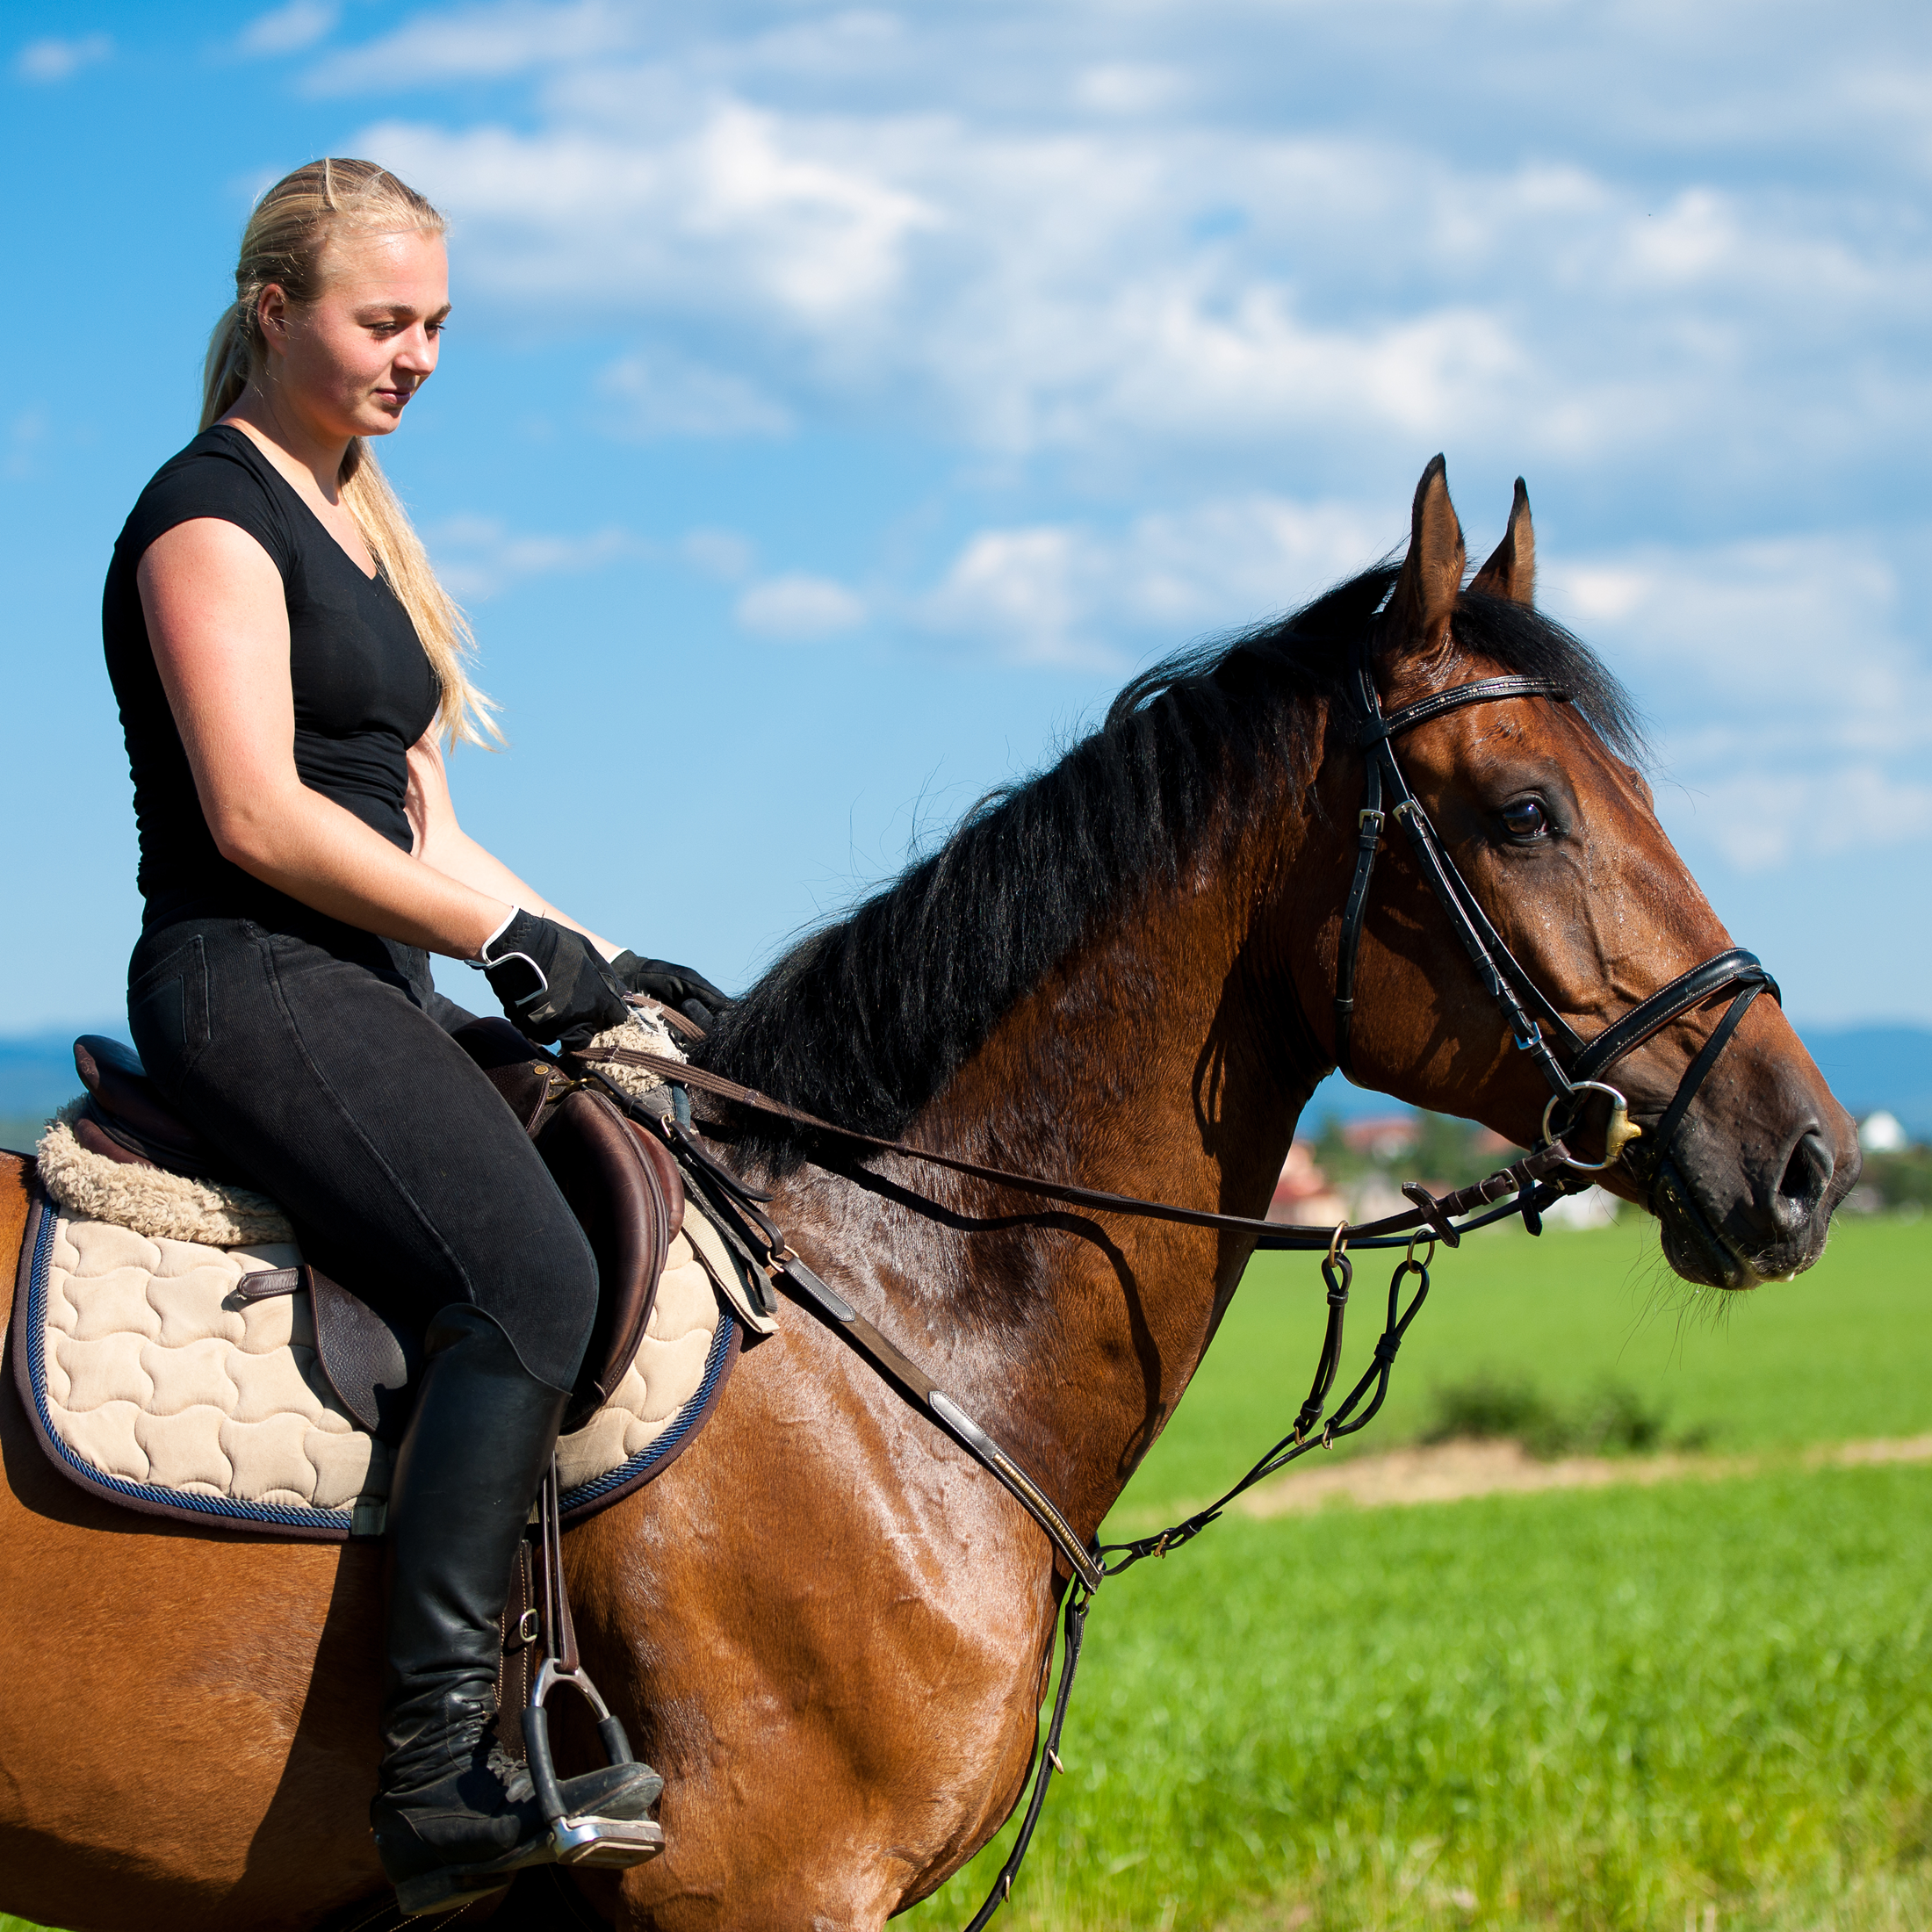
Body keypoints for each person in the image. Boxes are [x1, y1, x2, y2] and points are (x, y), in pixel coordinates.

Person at [101, 158, 725, 1914]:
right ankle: (440, 1766)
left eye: (438, 322)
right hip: (249, 973)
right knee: (523, 1276)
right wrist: (499, 941)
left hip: (372, 975)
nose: (421, 354)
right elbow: (258, 815)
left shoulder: (356, 506)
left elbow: (423, 831)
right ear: (274, 309)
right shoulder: (208, 516)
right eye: (387, 320)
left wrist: (612, 957)